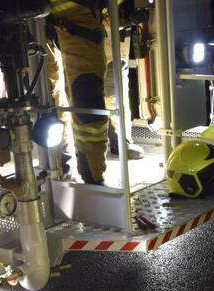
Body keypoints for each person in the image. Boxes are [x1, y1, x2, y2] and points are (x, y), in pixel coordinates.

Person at [48, 0, 142, 185]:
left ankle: (81, 171)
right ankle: (66, 168)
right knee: (67, 97)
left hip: (65, 18)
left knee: (82, 96)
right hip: (69, 17)